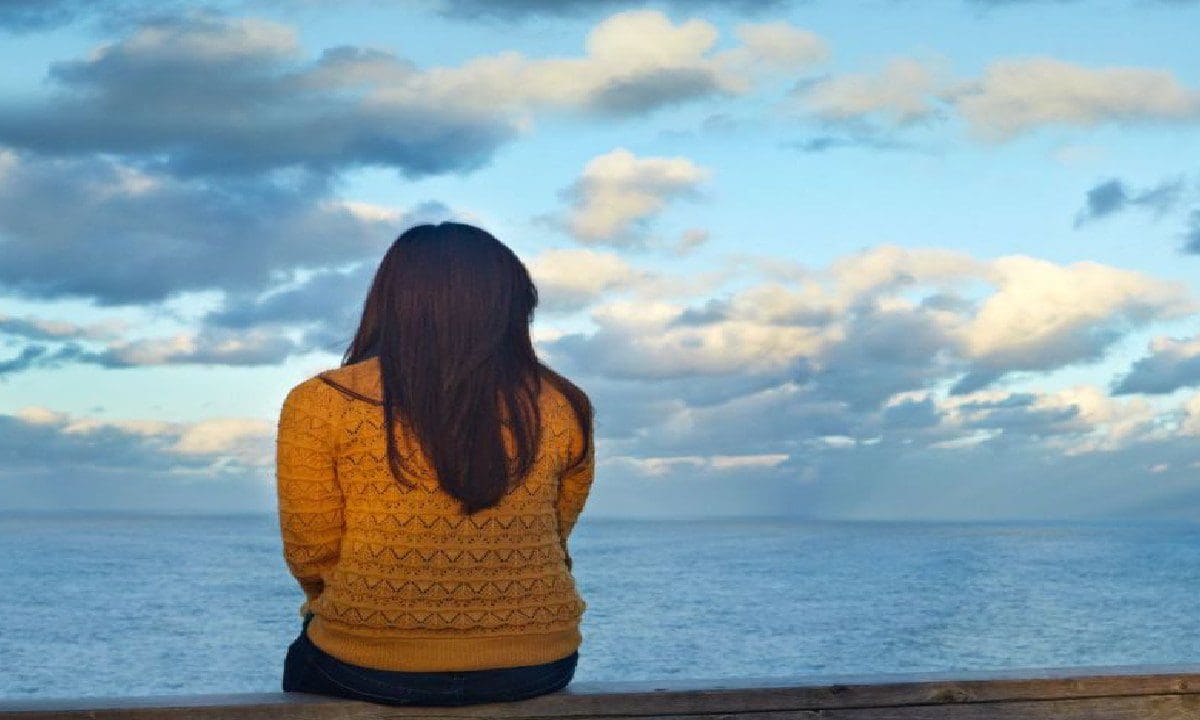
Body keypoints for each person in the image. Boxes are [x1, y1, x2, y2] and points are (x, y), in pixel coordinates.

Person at [276, 221, 595, 706]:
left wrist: (375, 613)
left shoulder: (321, 401)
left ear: (391, 300)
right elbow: (556, 527)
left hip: (366, 663)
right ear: (511, 302)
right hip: (535, 662)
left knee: (306, 661)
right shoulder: (561, 401)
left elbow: (311, 550)